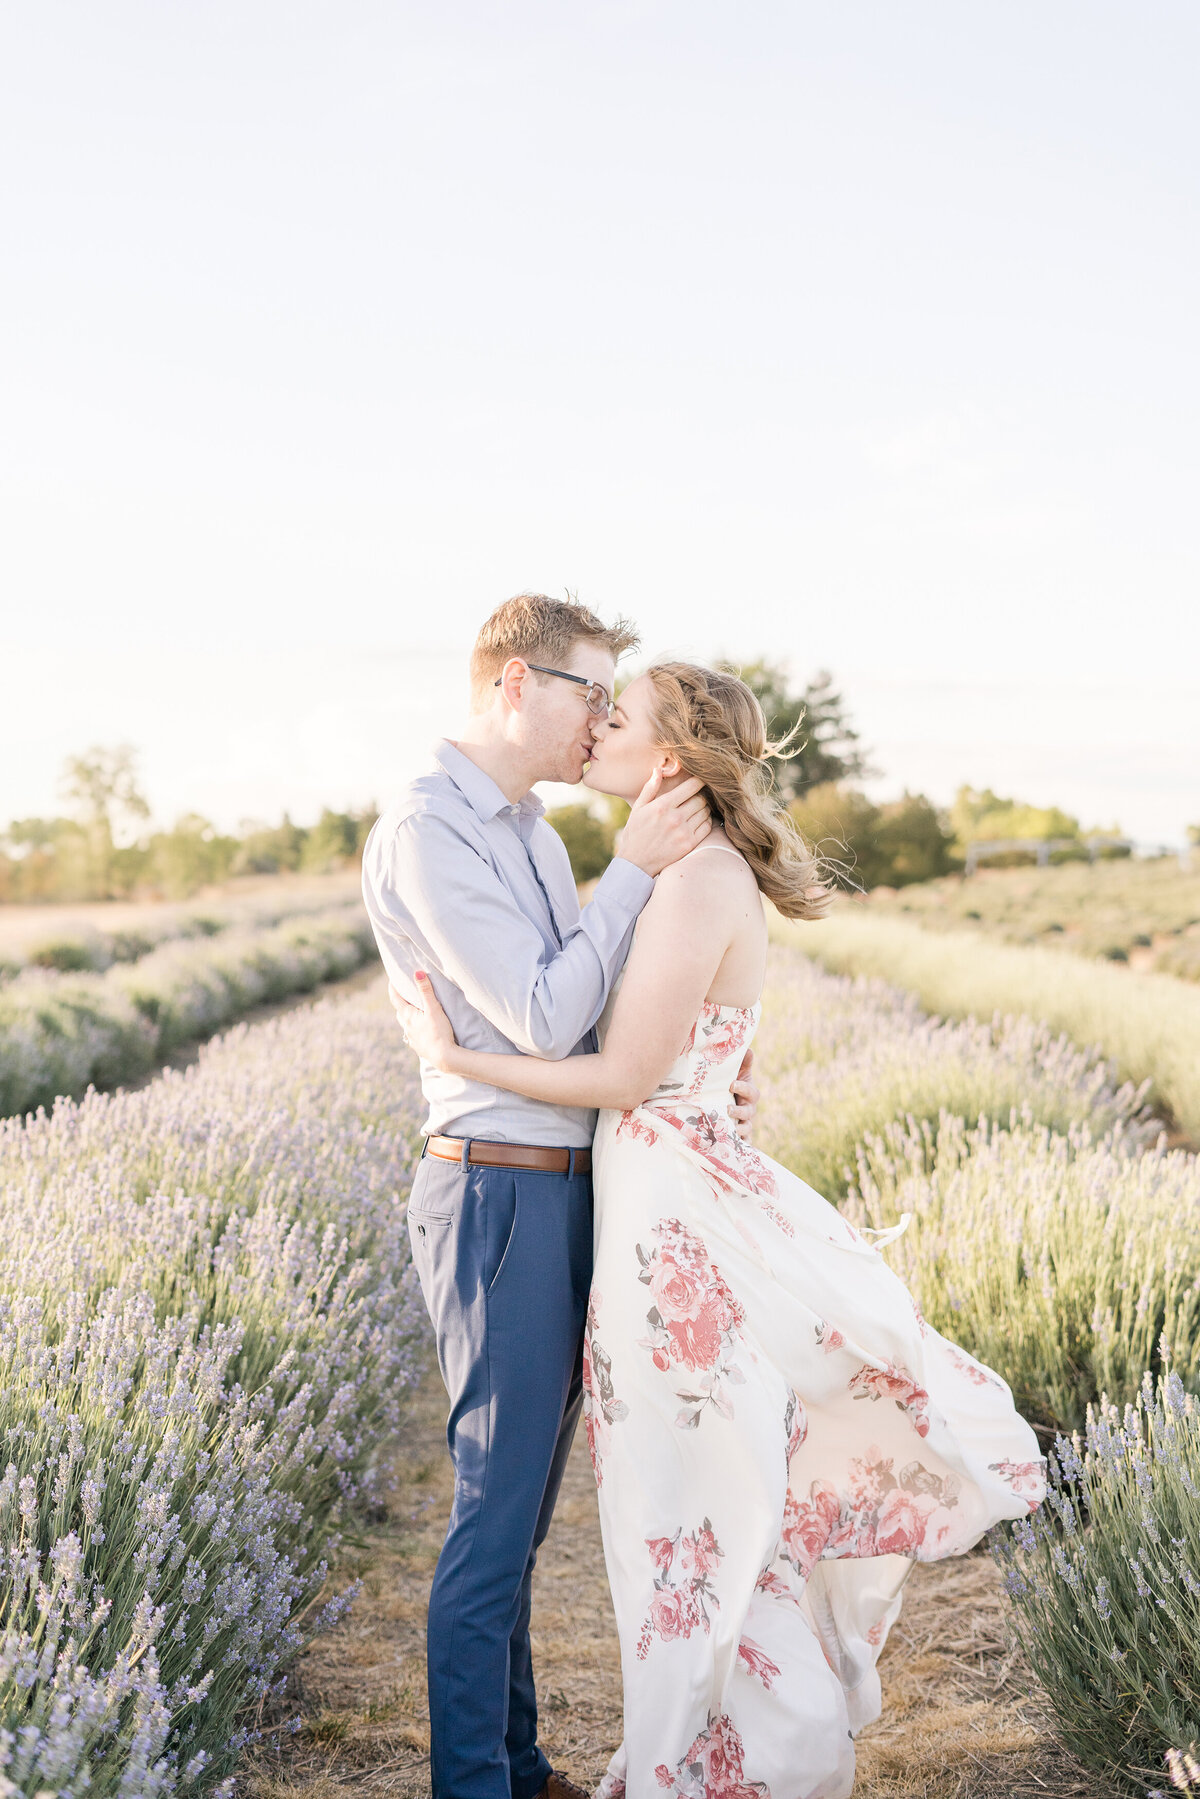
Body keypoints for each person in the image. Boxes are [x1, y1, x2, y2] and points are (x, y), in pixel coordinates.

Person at [395, 659, 1048, 1799]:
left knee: (694, 1502)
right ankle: (706, 1746)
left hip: (666, 1222)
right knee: (685, 1500)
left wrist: (451, 1058)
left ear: (667, 760)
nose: (597, 725)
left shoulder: (693, 877)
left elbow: (627, 1066)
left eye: (619, 713)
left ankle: (736, 1756)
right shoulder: (663, 870)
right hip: (654, 1200)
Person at [361, 597, 760, 1799]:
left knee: (523, 1516)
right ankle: (474, 1783)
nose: (601, 714)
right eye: (589, 689)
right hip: (498, 1194)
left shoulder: (531, 830)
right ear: (510, 686)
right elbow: (542, 1015)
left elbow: (586, 1014)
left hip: (568, 1184)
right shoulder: (432, 829)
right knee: (492, 1516)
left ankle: (521, 1766)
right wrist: (633, 876)